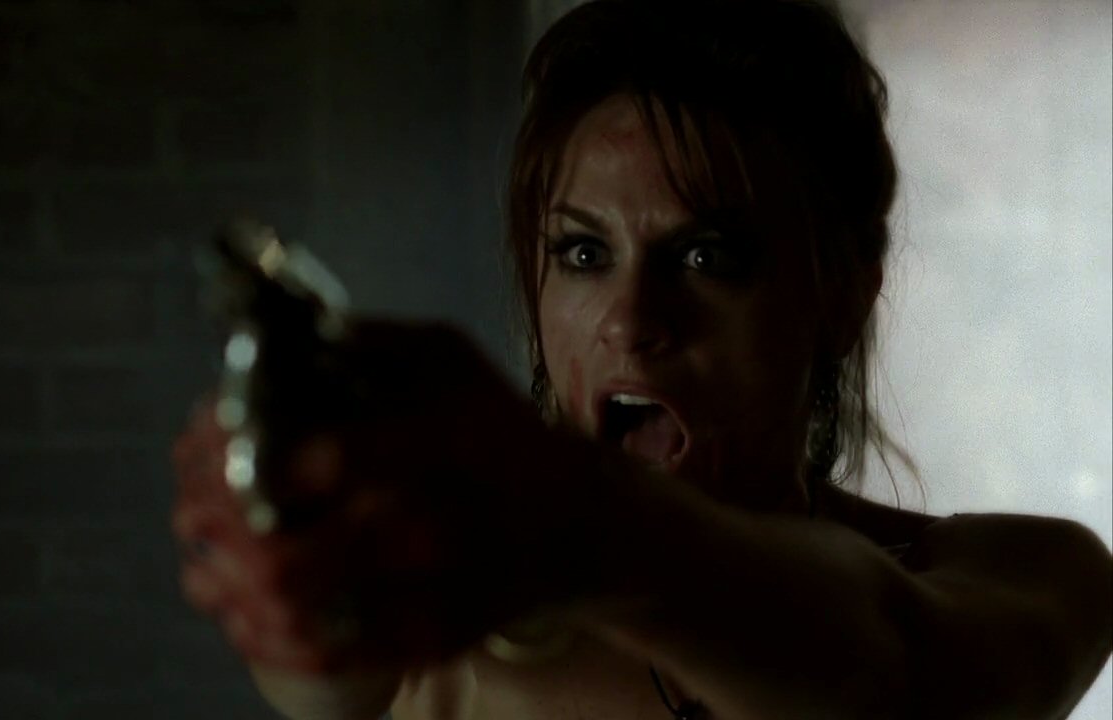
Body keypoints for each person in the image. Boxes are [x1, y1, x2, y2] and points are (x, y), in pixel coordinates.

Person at [171, 0, 1113, 717]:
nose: (630, 321)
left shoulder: (1024, 574)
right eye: (584, 253)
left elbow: (896, 684)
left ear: (845, 291)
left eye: (707, 257)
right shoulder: (444, 615)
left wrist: (580, 524)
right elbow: (329, 653)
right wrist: (297, 539)